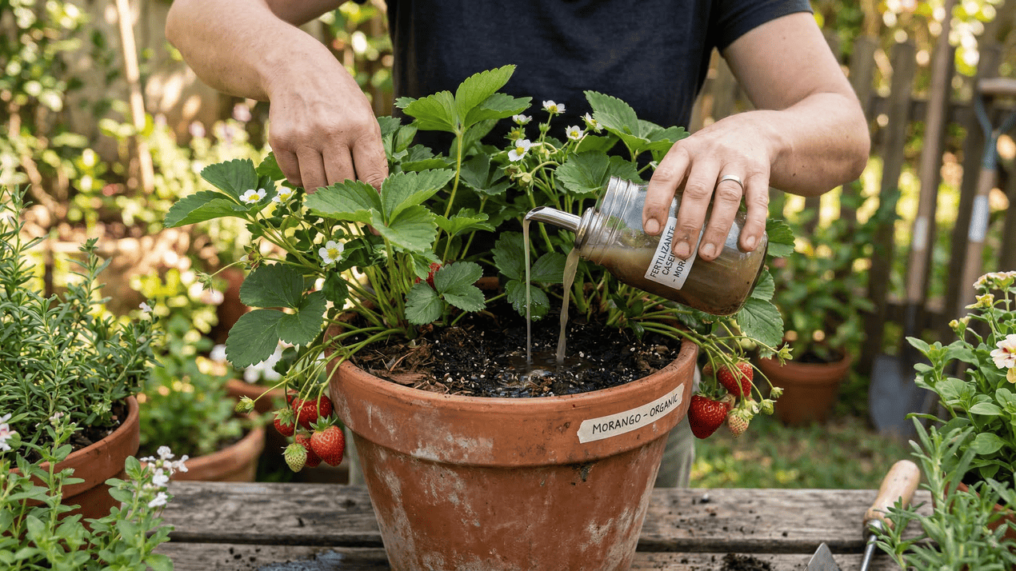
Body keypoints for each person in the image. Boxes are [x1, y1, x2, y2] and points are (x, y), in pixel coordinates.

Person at [165, 0, 870, 487]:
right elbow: (195, 15)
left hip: (636, 345)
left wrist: (762, 133)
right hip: (423, 342)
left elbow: (841, 125)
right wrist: (289, 60)